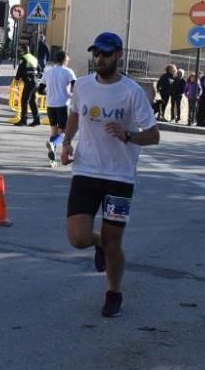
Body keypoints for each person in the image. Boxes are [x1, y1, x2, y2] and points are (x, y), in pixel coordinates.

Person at [60, 32, 159, 318]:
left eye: (105, 54)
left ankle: (113, 293)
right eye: (96, 54)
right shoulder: (82, 86)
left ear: (118, 55)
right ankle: (98, 243)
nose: (99, 59)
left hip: (120, 176)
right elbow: (75, 115)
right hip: (86, 170)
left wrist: (128, 135)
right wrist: (66, 143)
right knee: (78, 238)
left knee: (115, 242)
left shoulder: (132, 92)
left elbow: (153, 135)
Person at [38, 49, 76, 166]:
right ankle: (52, 145)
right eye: (68, 59)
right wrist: (71, 95)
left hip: (50, 105)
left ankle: (52, 161)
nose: (68, 61)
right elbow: (75, 86)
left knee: (54, 132)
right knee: (63, 133)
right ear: (65, 59)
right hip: (62, 105)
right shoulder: (68, 72)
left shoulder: (48, 71)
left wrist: (50, 93)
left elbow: (40, 89)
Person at [14, 43, 41, 127]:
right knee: (32, 101)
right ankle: (36, 120)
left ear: (23, 51)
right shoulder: (33, 58)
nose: (20, 52)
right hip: (35, 82)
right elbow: (40, 70)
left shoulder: (24, 59)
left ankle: (23, 120)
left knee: (24, 101)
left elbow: (19, 72)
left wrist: (17, 79)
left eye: (21, 50)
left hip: (29, 83)